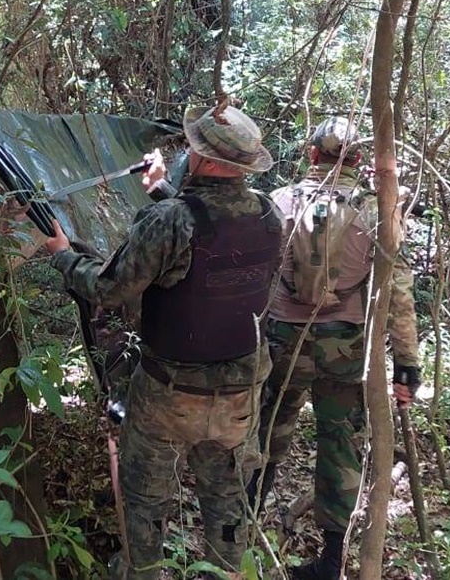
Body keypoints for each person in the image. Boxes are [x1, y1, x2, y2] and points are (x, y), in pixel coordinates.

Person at [44, 104, 285, 579]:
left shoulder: (171, 219)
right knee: (227, 505)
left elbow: (110, 289)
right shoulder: (269, 211)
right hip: (239, 398)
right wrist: (160, 188)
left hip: (168, 396)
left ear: (206, 158)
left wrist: (64, 257)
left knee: (145, 503)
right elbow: (213, 241)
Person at [246, 116, 421, 580]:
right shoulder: (376, 211)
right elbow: (399, 291)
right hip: (345, 345)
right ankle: (330, 561)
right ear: (359, 160)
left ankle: (239, 541)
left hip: (283, 339)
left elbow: (252, 273)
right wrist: (407, 363)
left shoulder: (277, 201)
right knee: (341, 443)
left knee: (264, 433)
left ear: (311, 155)